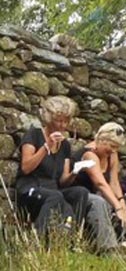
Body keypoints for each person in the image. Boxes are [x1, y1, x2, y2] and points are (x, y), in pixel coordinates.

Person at [15, 96, 90, 237]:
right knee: (55, 196)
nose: (63, 125)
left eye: (66, 121)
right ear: (49, 119)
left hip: (53, 190)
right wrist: (46, 146)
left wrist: (75, 172)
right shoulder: (34, 135)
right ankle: (38, 238)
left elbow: (63, 181)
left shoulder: (65, 145)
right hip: (30, 188)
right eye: (59, 121)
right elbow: (26, 167)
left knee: (80, 192)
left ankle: (71, 238)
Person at [72, 122, 126, 254]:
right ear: (101, 140)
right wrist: (117, 207)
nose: (113, 150)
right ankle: (109, 247)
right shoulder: (89, 155)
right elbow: (100, 183)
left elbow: (114, 182)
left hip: (99, 193)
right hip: (81, 194)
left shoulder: (112, 155)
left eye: (116, 147)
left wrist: (121, 201)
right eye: (111, 146)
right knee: (99, 202)